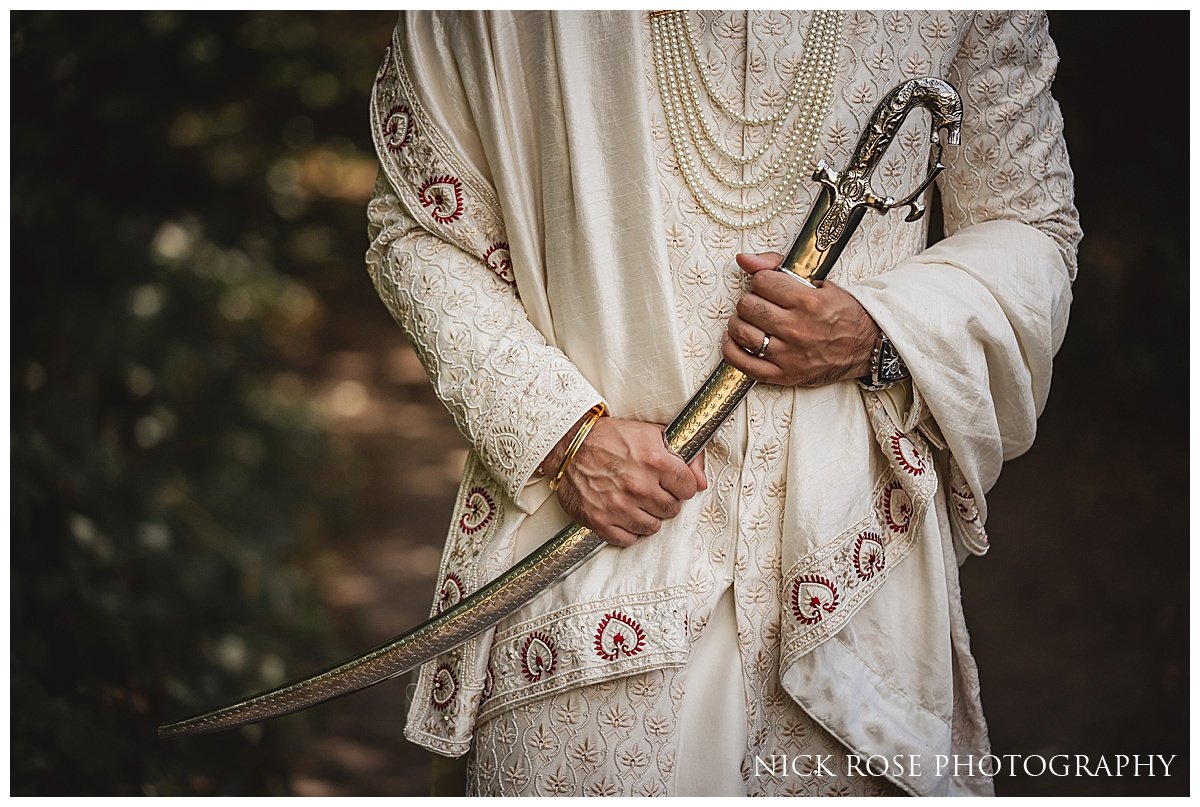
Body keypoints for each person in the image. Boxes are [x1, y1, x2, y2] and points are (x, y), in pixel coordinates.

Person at [364, 11, 1079, 797]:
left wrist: (879, 330)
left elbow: (1032, 226)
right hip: (587, 591)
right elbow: (418, 225)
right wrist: (561, 434)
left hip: (853, 594)